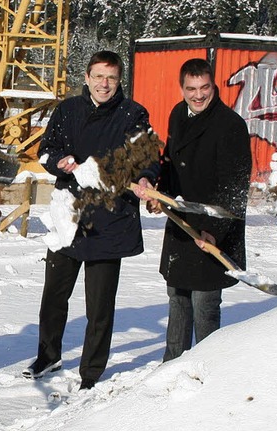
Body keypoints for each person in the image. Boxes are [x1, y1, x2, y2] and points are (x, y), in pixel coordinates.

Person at [22, 51, 155, 390]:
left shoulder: (133, 114)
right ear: (87, 76)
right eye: (98, 76)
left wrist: (146, 179)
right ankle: (48, 355)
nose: (104, 84)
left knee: (99, 305)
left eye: (110, 77)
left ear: (119, 80)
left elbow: (146, 158)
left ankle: (91, 373)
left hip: (110, 220)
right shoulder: (68, 110)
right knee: (54, 295)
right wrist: (59, 161)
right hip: (69, 215)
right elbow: (46, 150)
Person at [147, 58, 251, 362]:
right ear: (181, 88)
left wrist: (214, 231)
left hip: (212, 229)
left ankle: (207, 370)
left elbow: (235, 187)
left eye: (204, 87)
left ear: (213, 84)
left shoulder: (230, 125)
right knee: (177, 300)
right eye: (191, 88)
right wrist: (160, 196)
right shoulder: (178, 114)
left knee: (204, 306)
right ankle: (172, 365)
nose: (198, 95)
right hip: (182, 223)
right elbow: (169, 164)